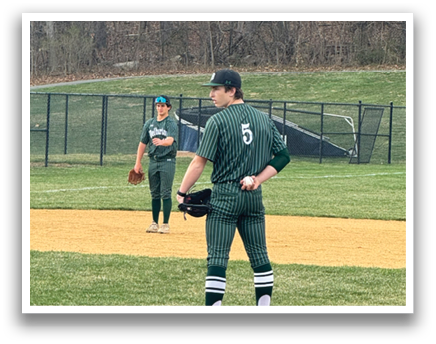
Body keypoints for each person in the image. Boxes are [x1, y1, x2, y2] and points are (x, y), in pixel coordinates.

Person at [176, 69, 290, 306]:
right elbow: (283, 156)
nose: (211, 94)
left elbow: (199, 162)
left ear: (232, 90)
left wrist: (181, 193)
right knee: (260, 257)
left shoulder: (217, 121)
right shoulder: (263, 119)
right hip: (253, 198)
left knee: (217, 259)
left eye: (216, 89)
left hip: (225, 196)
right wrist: (258, 179)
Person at [134, 95, 178, 234]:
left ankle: (165, 224)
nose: (160, 108)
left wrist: (162, 142)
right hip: (153, 161)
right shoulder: (150, 123)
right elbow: (142, 143)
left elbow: (170, 140)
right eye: (158, 106)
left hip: (167, 161)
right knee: (154, 193)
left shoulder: (170, 123)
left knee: (165, 192)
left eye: (163, 105)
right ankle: (154, 223)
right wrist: (138, 163)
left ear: (168, 107)